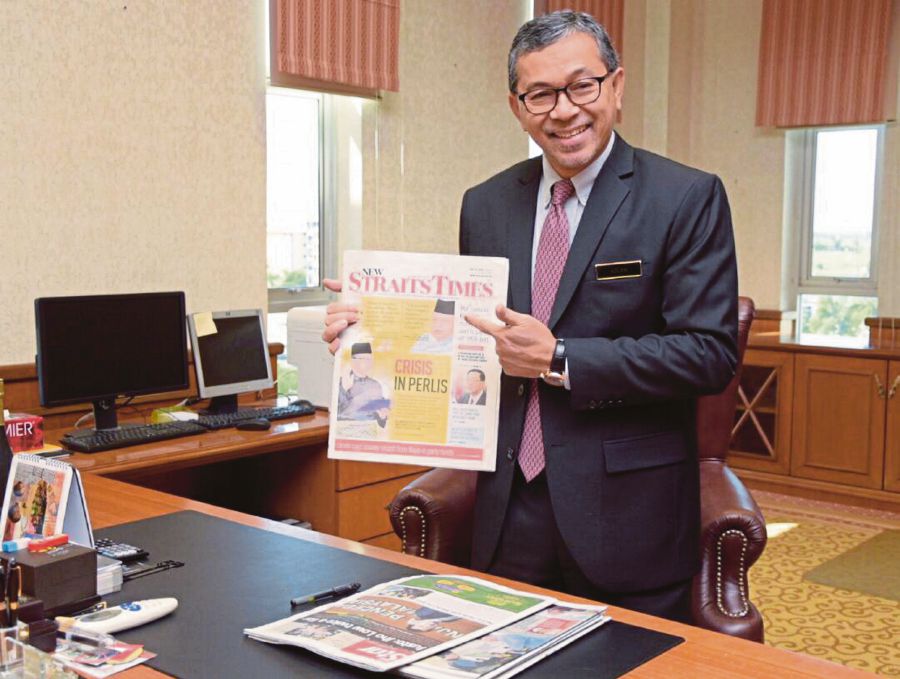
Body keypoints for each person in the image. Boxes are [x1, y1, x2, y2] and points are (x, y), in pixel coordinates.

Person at [324, 10, 737, 624]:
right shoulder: (486, 203)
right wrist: (371, 335)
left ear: (616, 87)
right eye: (540, 94)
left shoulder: (684, 196)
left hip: (627, 512)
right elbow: (468, 337)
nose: (564, 110)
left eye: (581, 86)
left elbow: (710, 353)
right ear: (517, 106)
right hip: (509, 507)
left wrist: (561, 359)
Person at [336, 342, 390, 428]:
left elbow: (381, 421)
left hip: (370, 432)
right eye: (363, 358)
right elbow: (337, 414)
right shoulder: (341, 383)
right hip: (347, 430)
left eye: (369, 359)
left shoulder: (375, 385)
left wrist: (382, 416)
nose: (368, 362)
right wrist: (344, 389)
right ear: (353, 360)